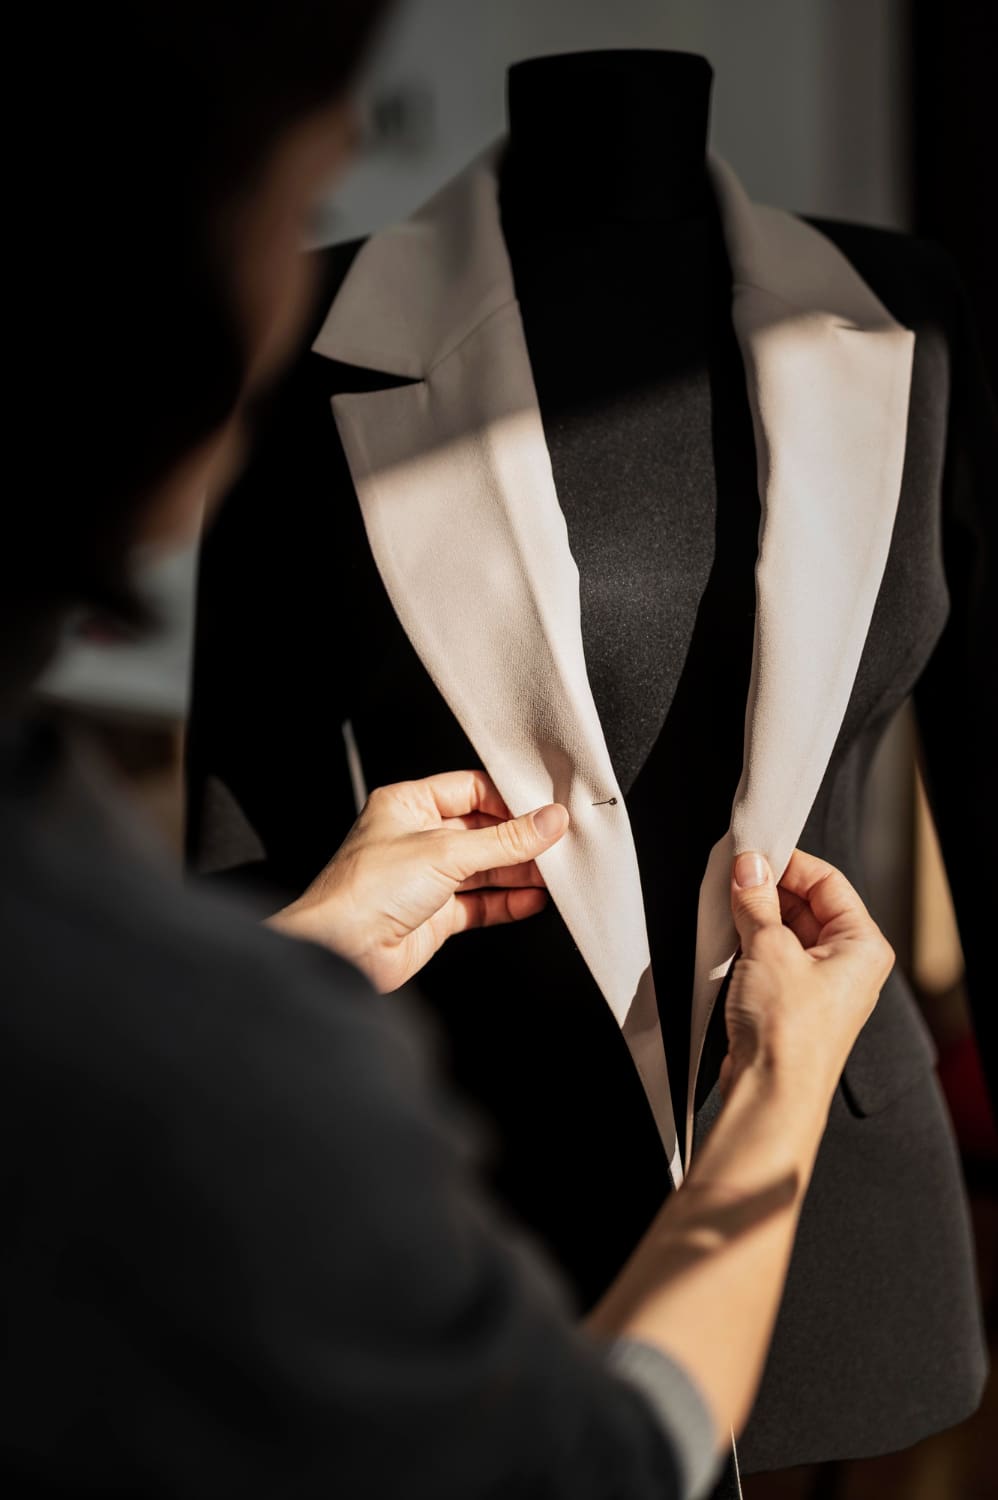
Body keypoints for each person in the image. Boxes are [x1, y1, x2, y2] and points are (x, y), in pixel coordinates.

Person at [2, 6, 894, 1497]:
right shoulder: (167, 1041)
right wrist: (783, 1094)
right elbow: (592, 1469)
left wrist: (290, 969)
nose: (298, 292)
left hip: (876, 1246)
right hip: (494, 1186)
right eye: (299, 207)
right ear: (156, 288)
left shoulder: (902, 314)